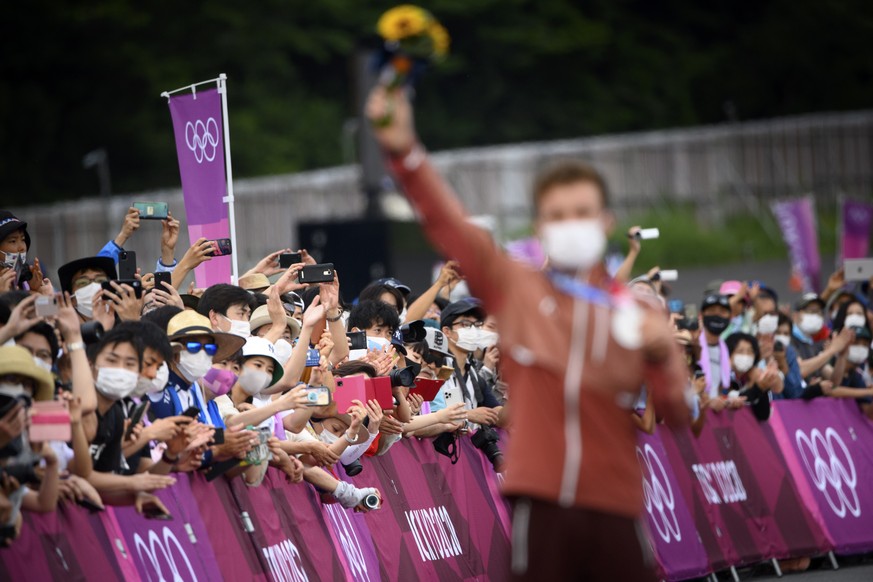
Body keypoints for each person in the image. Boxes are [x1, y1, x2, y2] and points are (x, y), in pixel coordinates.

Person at [366, 85, 687, 581]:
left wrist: (666, 357)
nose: (571, 225)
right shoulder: (518, 288)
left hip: (617, 502)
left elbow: (681, 414)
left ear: (606, 222)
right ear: (540, 226)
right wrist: (405, 154)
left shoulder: (634, 309)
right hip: (541, 503)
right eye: (558, 216)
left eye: (582, 213)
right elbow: (451, 227)